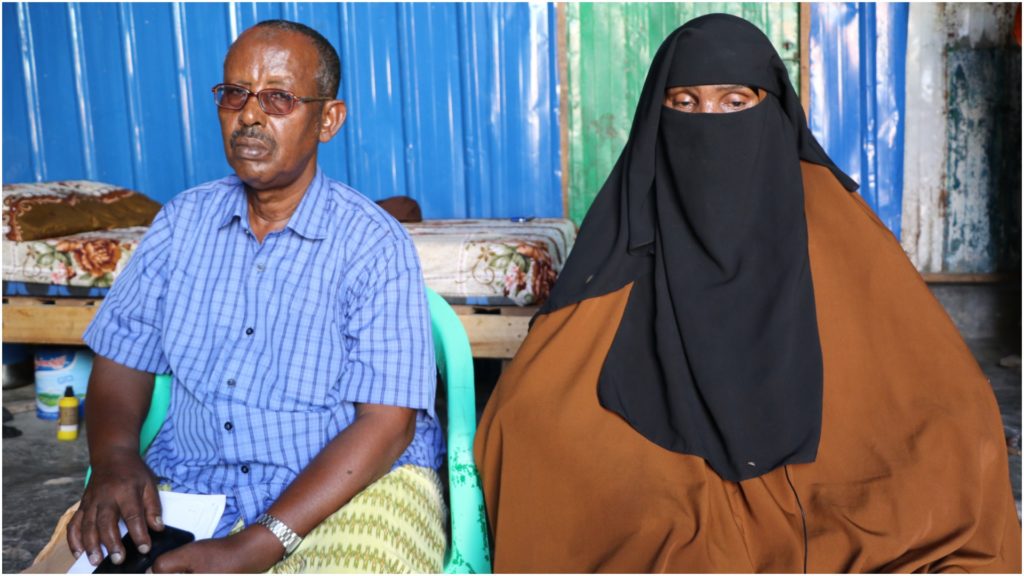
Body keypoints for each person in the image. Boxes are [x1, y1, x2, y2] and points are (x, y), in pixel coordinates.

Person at [474, 14, 1021, 572]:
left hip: (829, 473)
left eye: (734, 102)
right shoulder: (630, 223)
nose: (707, 122)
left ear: (772, 110)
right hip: (665, 470)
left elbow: (938, 382)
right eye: (684, 104)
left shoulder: (831, 217)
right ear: (653, 120)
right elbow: (534, 403)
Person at [28, 20, 445, 574]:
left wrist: (258, 543)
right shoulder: (182, 223)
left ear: (328, 119)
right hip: (196, 482)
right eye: (234, 94)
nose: (249, 115)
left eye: (278, 98)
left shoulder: (372, 244)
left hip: (352, 483)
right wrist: (115, 458)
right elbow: (123, 355)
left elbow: (387, 424)